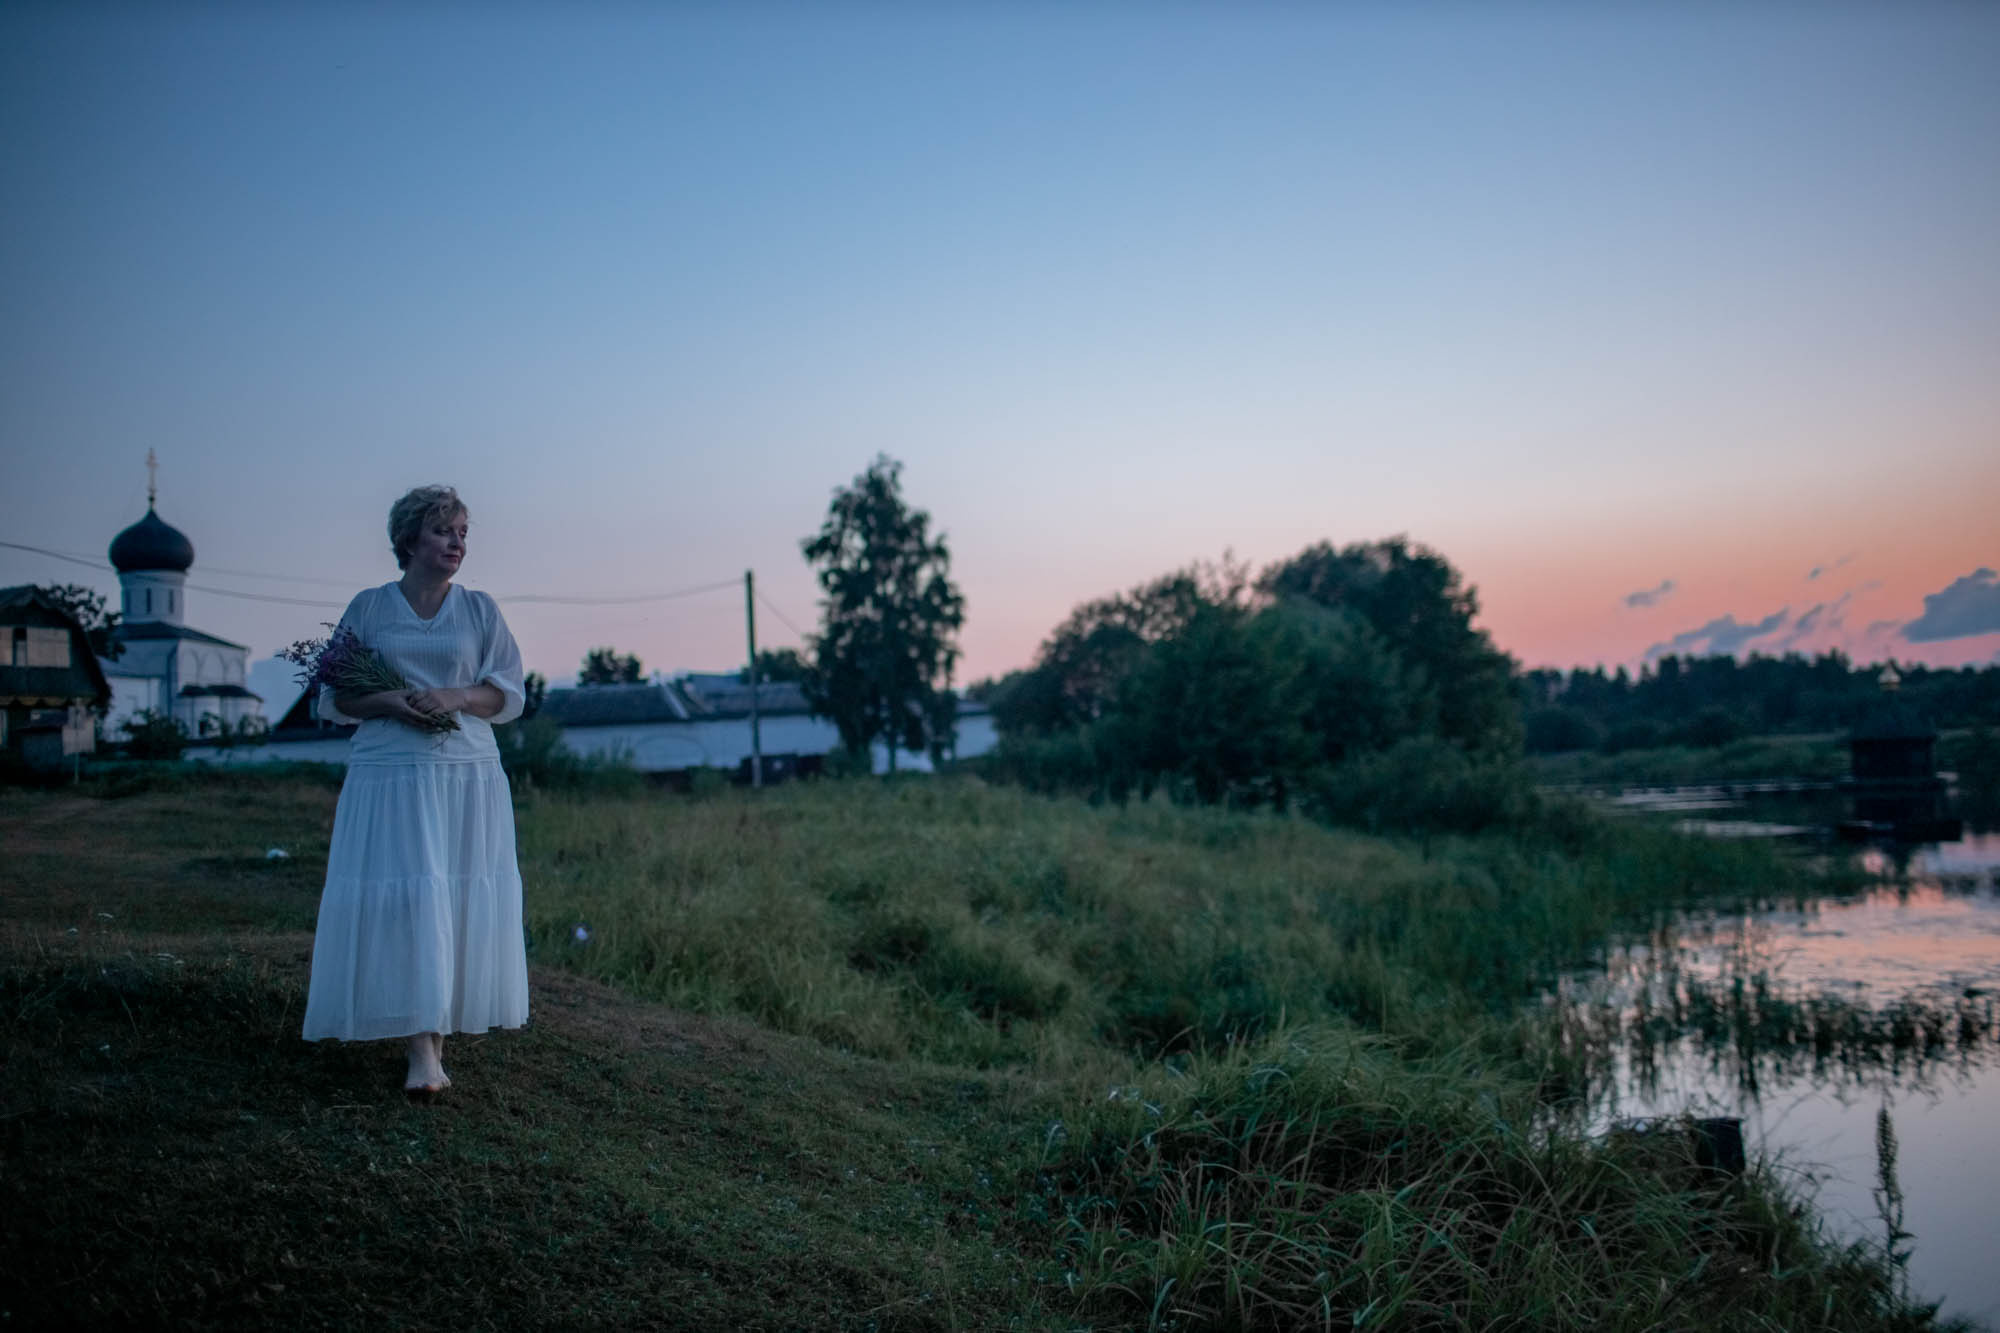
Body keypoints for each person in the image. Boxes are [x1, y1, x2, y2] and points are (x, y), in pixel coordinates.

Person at [301, 485, 529, 1096]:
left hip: (466, 773)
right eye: (443, 531)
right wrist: (394, 704)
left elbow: (507, 693)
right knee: (408, 899)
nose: (457, 543)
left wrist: (454, 696)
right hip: (390, 774)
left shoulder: (480, 610)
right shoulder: (370, 607)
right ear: (408, 540)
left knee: (451, 898)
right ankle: (421, 1050)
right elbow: (336, 696)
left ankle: (436, 1031)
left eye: (462, 533)